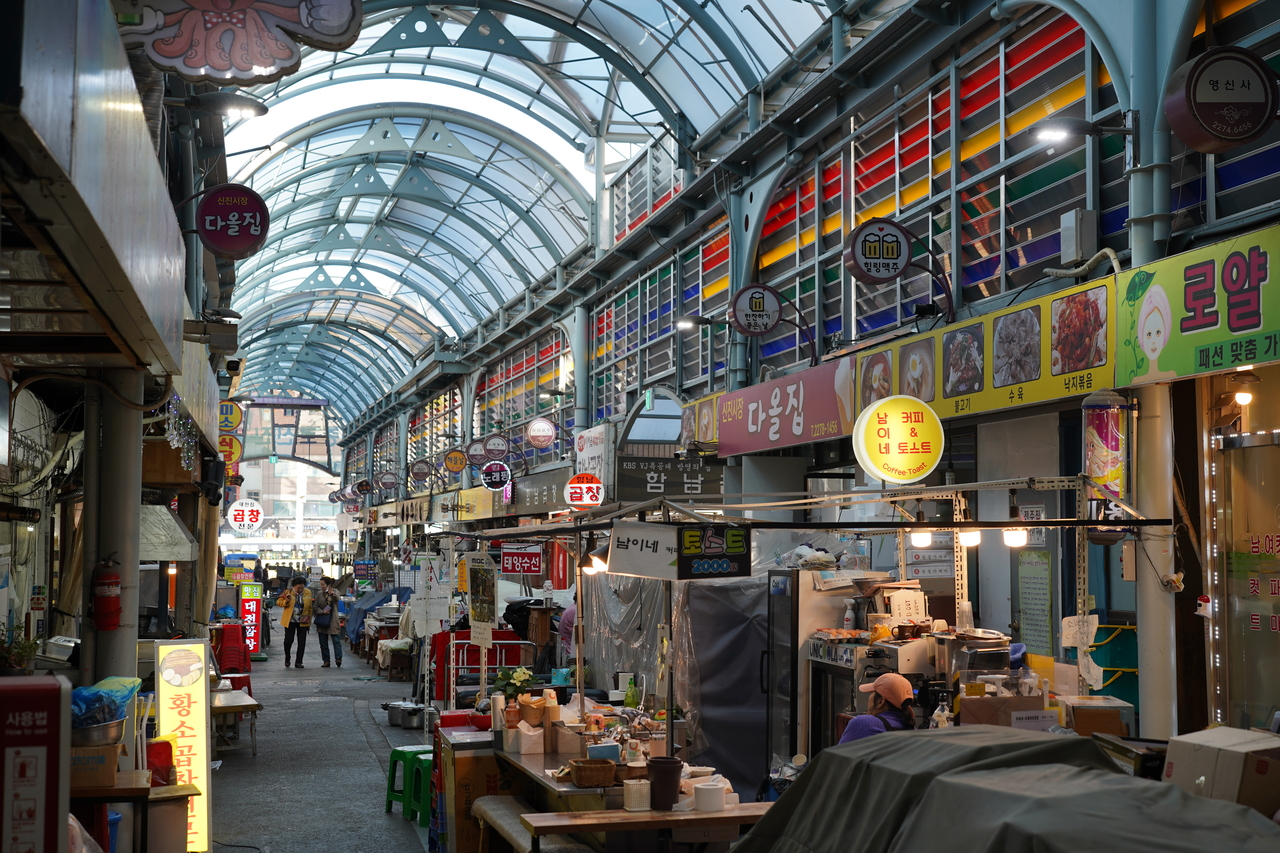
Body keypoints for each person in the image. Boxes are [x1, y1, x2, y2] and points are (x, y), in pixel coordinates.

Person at [838, 673, 916, 744]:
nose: (868, 698)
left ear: (880, 701)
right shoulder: (914, 732)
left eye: (872, 693)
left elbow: (837, 758)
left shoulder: (863, 723)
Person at [276, 577, 313, 668]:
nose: (300, 590)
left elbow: (310, 608)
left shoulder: (308, 592)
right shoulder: (287, 592)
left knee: (302, 642)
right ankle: (287, 658)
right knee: (288, 641)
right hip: (290, 620)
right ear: (294, 586)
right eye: (298, 588)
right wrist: (286, 601)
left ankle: (299, 662)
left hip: (303, 620)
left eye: (302, 587)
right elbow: (278, 602)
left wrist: (309, 621)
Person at [315, 576, 343, 668]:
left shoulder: (335, 592)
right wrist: (322, 612)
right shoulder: (319, 594)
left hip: (332, 620)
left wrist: (331, 594)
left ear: (328, 585)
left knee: (336, 640)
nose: (321, 586)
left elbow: (337, 598)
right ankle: (326, 661)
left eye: (323, 584)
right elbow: (315, 606)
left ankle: (338, 658)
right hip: (322, 620)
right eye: (321, 584)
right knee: (323, 643)